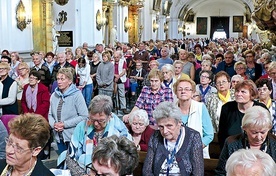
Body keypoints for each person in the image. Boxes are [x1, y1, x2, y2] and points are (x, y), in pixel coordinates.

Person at [65, 95, 131, 176]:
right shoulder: (81, 127)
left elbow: (127, 162)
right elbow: (70, 157)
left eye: (101, 120)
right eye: (92, 119)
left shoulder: (120, 131)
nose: (96, 124)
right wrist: (81, 174)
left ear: (109, 116)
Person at [142, 101, 204, 175]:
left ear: (179, 123)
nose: (165, 131)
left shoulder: (193, 137)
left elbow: (198, 173)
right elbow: (146, 171)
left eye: (169, 126)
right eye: (161, 127)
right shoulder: (155, 136)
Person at [215, 106, 276, 175]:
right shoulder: (231, 143)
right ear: (244, 128)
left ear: (269, 128)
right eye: (254, 132)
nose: (259, 137)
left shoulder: (274, 143)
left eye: (263, 132)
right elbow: (220, 172)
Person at [218, 79, 268, 149]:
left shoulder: (261, 108)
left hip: (256, 152)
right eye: (237, 91)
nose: (239, 94)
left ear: (252, 94)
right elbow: (221, 135)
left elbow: (267, 133)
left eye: (243, 92)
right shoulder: (227, 108)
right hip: (232, 151)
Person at [48, 68, 88, 154]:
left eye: (62, 79)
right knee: (62, 161)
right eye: (58, 79)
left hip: (73, 136)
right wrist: (54, 124)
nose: (59, 82)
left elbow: (84, 116)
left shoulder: (77, 95)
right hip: (58, 135)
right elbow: (50, 114)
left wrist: (64, 124)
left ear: (69, 81)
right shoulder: (54, 95)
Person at [174, 78, 214, 158]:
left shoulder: (200, 107)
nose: (183, 91)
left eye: (187, 89)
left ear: (192, 93)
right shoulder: (171, 109)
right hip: (175, 153)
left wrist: (194, 148)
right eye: (180, 89)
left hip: (197, 154)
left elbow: (209, 135)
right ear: (176, 92)